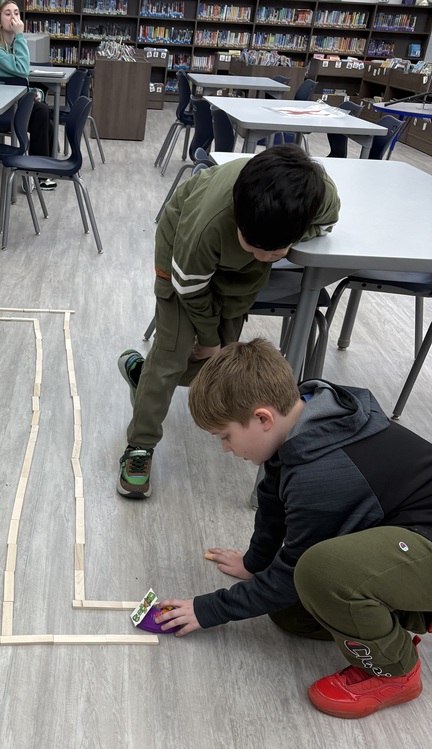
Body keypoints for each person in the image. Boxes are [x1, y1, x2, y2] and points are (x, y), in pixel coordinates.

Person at [152, 338, 432, 719]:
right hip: (408, 537)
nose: (225, 449)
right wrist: (254, 564)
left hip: (422, 545)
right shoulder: (305, 425)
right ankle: (400, 615)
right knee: (290, 610)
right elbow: (272, 504)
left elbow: (293, 570)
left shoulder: (322, 473)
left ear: (263, 418)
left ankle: (396, 671)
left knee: (317, 573)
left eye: (225, 436)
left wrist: (208, 609)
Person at [117, 145, 341, 499]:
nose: (264, 256)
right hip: (182, 262)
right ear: (237, 214)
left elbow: (326, 221)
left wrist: (216, 344)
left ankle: (143, 377)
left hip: (240, 277)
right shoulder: (207, 224)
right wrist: (207, 336)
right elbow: (189, 286)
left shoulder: (318, 196)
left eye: (275, 252)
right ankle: (140, 445)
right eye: (253, 245)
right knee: (172, 355)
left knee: (220, 362)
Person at [0, 1, 57, 191]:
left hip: (12, 104)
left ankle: (42, 169)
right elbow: (22, 70)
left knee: (45, 115)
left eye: (16, 13)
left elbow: (13, 81)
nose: (13, 18)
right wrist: (21, 36)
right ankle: (36, 173)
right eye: (7, 14)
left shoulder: (11, 45)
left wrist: (32, 95)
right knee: (42, 114)